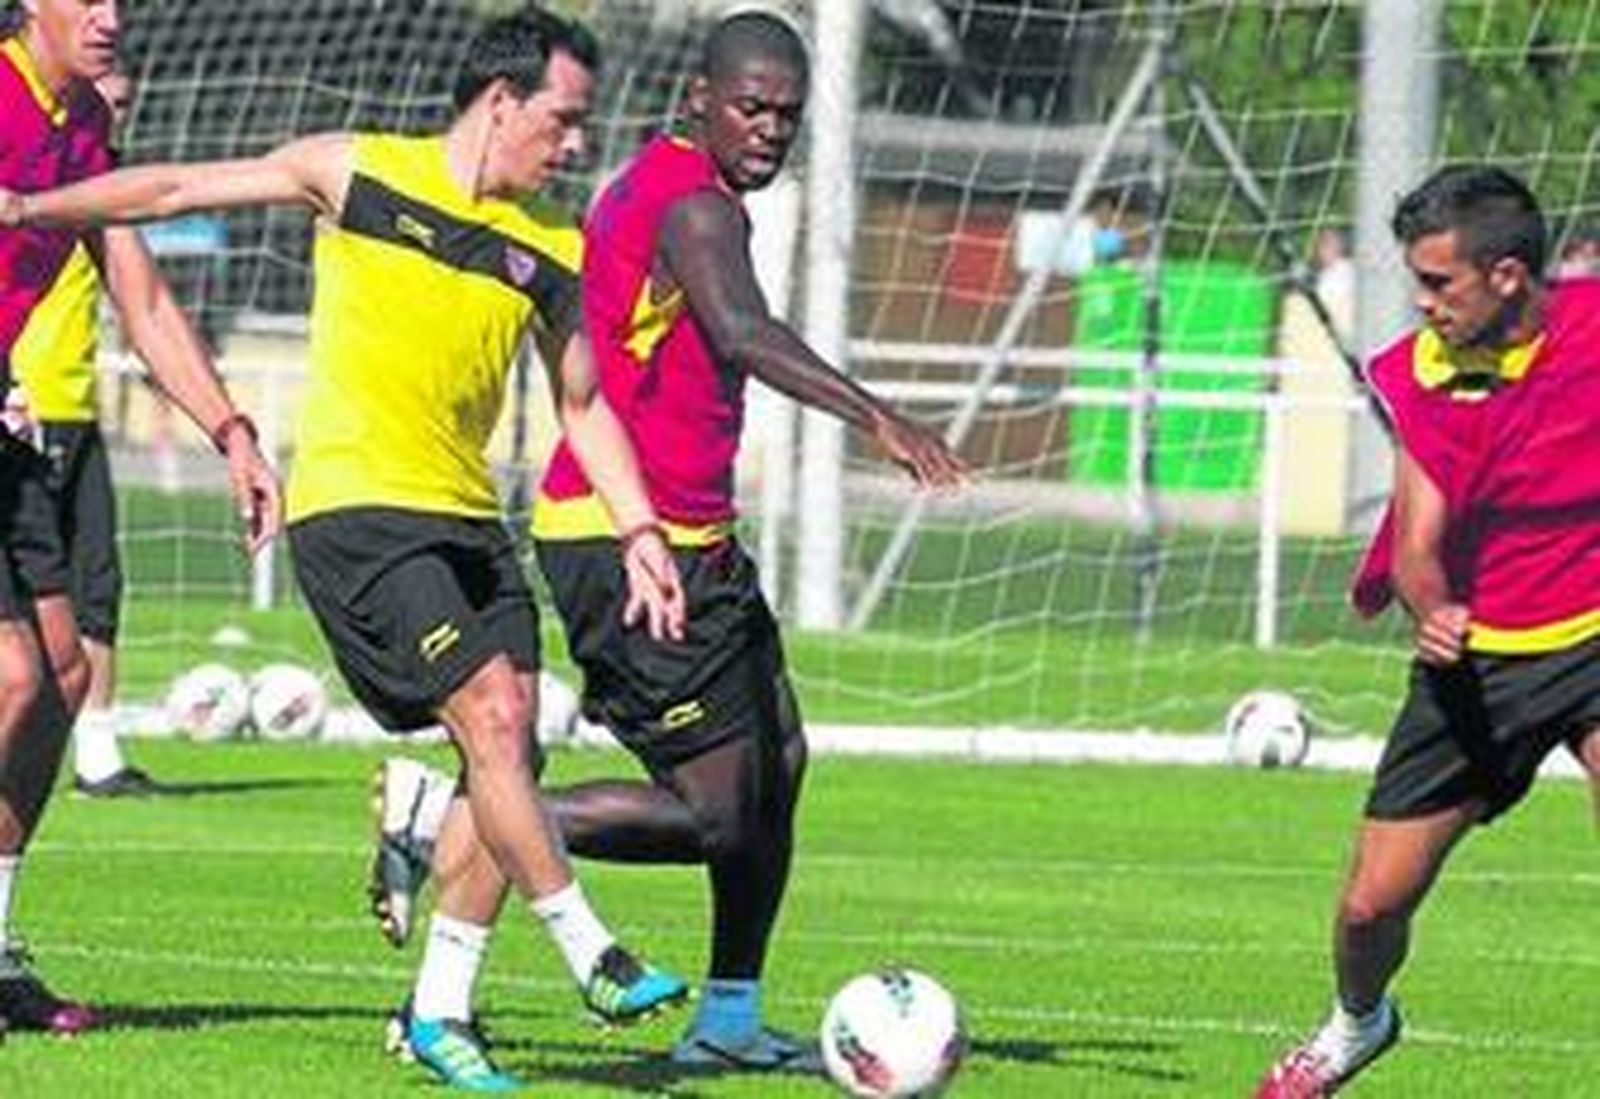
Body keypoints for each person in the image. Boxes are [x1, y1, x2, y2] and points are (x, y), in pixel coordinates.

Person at [6, 7, 693, 1089]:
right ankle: (590, 947)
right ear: (502, 101)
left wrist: (641, 527)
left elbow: (585, 405)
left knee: (507, 751)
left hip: (469, 519)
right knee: (497, 714)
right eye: (562, 121)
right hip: (360, 512)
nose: (574, 145)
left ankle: (439, 1010)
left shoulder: (555, 243)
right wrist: (27, 206)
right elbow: (175, 190)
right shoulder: (358, 171)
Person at [369, 8, 966, 1074]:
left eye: (787, 113)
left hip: (696, 538)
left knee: (778, 762)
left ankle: (730, 1017)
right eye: (751, 107)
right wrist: (880, 416)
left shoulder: (674, 185)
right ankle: (458, 815)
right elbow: (739, 329)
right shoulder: (693, 205)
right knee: (710, 813)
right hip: (624, 542)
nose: (770, 129)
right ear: (699, 98)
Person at [1256, 165, 1600, 1097]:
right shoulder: (1422, 371)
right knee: (1372, 905)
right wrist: (1432, 606)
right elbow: (1416, 543)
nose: (1423, 301)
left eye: (1439, 282)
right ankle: (1357, 1023)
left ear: (1509, 278)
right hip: (1482, 661)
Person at [0, 0, 279, 1034]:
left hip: (11, 425)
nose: (113, 17)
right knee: (17, 672)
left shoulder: (86, 129)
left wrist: (233, 431)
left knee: (64, 674)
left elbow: (143, 297)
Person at [12, 66, 158, 798]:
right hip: (28, 408)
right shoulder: (36, 180)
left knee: (95, 591)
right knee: (27, 651)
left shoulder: (98, 184)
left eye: (126, 102)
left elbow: (146, 303)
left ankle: (98, 750)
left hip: (79, 408)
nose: (116, 111)